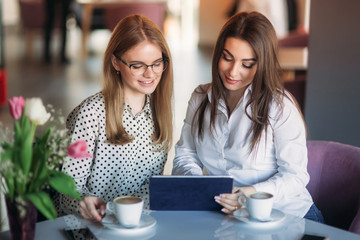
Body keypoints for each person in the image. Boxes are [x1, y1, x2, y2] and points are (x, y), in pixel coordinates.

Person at [172, 11, 324, 222]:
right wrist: (199, 185)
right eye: (227, 58)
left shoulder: (280, 106)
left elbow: (295, 176)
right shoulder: (200, 98)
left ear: (262, 64)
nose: (233, 72)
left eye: (247, 64)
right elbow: (186, 153)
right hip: (229, 216)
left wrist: (250, 194)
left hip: (288, 215)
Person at [59, 14, 173, 221]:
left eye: (157, 63)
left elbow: (150, 188)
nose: (150, 74)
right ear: (116, 62)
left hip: (140, 226)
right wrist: (82, 202)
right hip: (93, 227)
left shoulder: (159, 113)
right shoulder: (91, 114)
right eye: (138, 65)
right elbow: (66, 190)